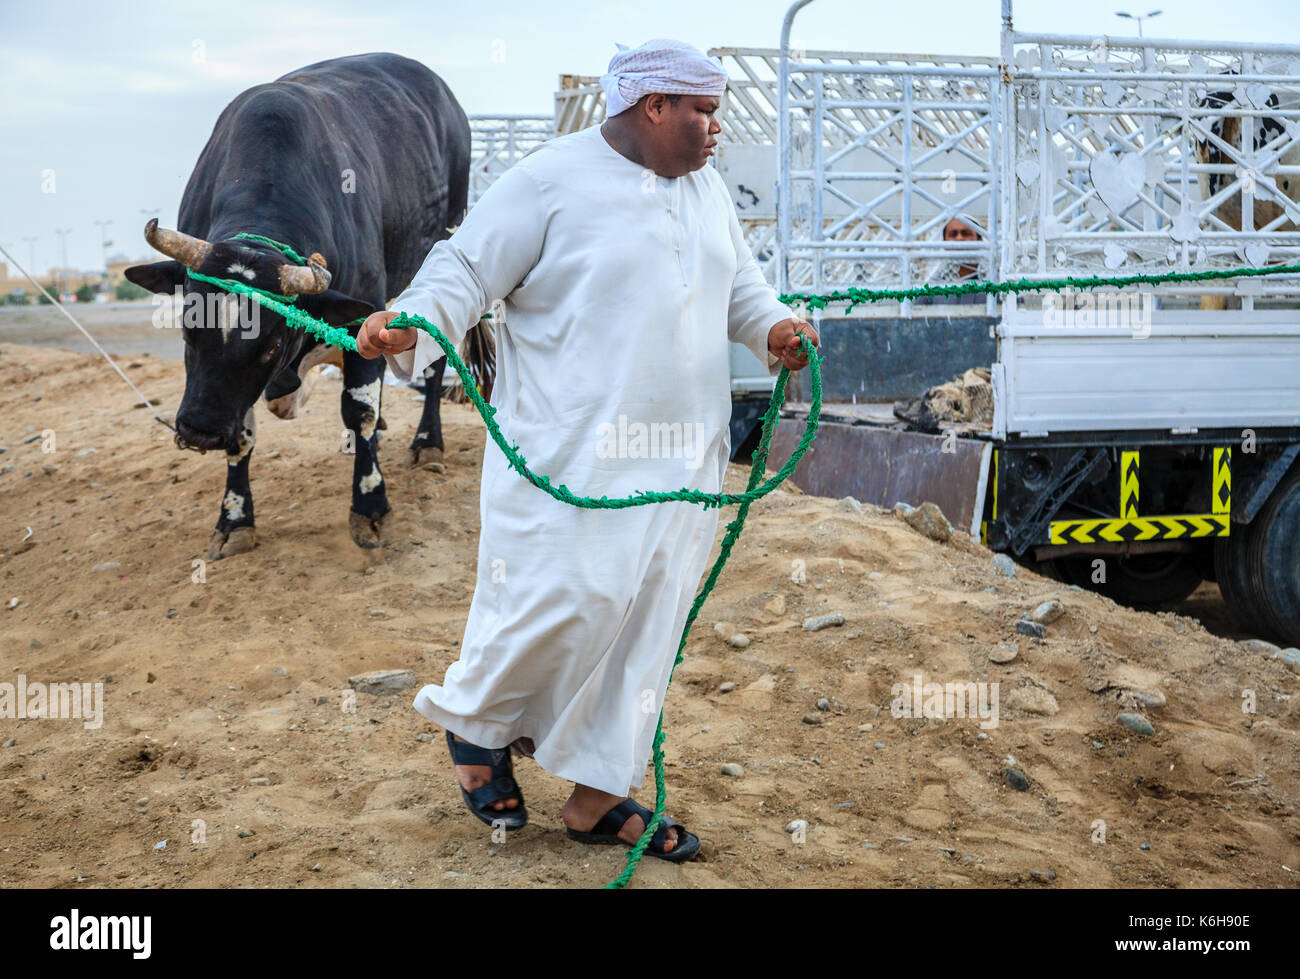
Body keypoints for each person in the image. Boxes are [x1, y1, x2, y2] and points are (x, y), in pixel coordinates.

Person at [356, 38, 819, 862]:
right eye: (703, 112)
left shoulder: (705, 189)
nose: (716, 129)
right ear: (653, 108)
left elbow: (738, 286)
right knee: (568, 598)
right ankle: (477, 727)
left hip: (685, 462)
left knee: (650, 620)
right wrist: (415, 318)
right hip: (571, 456)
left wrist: (775, 328)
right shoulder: (547, 182)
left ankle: (598, 792)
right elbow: (463, 268)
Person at [914, 213, 989, 306]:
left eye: (966, 233)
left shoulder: (995, 284)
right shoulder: (932, 288)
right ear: (944, 243)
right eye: (953, 234)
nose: (959, 238)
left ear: (979, 240)